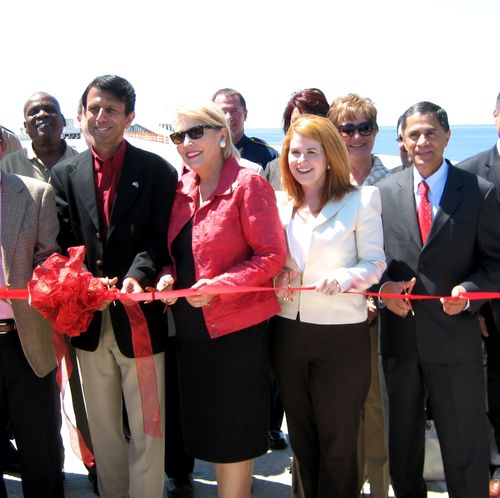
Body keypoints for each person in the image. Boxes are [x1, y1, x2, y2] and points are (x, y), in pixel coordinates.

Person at [50, 74, 178, 498]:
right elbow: (61, 240)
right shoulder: (63, 173)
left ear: (129, 117)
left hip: (139, 316)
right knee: (103, 429)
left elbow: (158, 238)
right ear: (82, 114)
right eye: (93, 109)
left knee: (148, 427)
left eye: (111, 110)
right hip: (88, 322)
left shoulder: (157, 170)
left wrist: (135, 278)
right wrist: (86, 281)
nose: (100, 117)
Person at [156, 102, 286, 498]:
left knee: (232, 442)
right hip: (191, 338)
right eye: (179, 136)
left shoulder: (248, 183)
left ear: (221, 135)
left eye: (196, 132)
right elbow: (175, 254)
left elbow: (271, 256)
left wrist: (222, 286)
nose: (187, 143)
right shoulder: (182, 189)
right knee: (206, 436)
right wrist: (166, 276)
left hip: (236, 336)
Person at [377, 101, 500, 498]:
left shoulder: (479, 193)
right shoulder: (381, 194)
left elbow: (495, 263)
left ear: (447, 136)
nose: (423, 141)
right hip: (401, 340)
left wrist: (470, 294)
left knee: (465, 447)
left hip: (455, 339)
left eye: (431, 132)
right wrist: (383, 290)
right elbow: (372, 261)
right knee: (403, 451)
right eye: (414, 134)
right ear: (402, 141)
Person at [269, 114, 386, 498]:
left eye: (311, 153)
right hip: (288, 332)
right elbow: (273, 261)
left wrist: (346, 277)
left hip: (340, 335)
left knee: (338, 442)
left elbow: (374, 264)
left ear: (330, 156)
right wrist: (279, 275)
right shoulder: (280, 203)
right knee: (302, 439)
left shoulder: (362, 199)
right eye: (294, 152)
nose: (301, 161)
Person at [328, 93, 390, 498]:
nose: (355, 135)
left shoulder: (393, 182)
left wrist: (378, 293)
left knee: (378, 410)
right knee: (335, 412)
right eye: (346, 128)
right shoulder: (318, 181)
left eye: (364, 127)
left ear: (375, 131)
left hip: (384, 314)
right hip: (331, 315)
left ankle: (380, 488)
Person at [0, 171, 63, 498]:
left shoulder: (36, 193)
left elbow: (48, 257)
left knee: (40, 448)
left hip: (25, 340)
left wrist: (49, 280)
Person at [457, 91, 500, 492]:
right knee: (492, 400)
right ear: (495, 115)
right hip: (490, 316)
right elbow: (466, 253)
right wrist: (477, 308)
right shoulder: (471, 175)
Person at [0, 93, 77, 181]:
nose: (42, 114)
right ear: (26, 126)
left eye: (49, 109)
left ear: (63, 120)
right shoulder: (7, 166)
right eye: (33, 112)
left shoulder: (82, 164)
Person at [267, 88, 330, 191]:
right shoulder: (274, 169)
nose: (302, 128)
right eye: (296, 122)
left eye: (309, 120)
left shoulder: (343, 168)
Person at [212, 88, 278, 168]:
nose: (228, 117)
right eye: (222, 112)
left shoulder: (267, 156)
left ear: (245, 115)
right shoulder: (203, 154)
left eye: (234, 111)